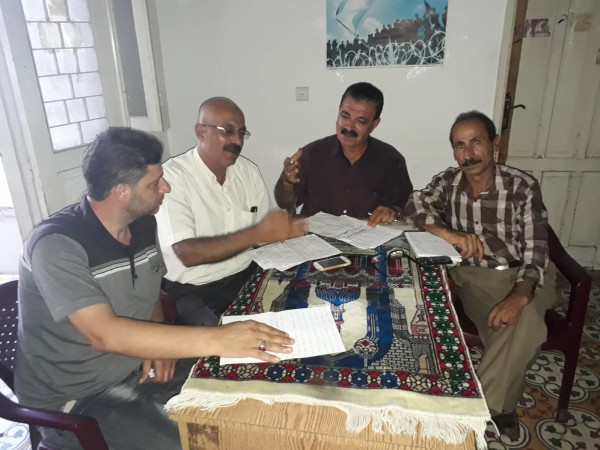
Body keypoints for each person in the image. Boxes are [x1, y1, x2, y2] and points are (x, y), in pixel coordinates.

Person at [14, 127, 294, 450]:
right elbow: (103, 334)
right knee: (198, 439)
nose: (166, 187)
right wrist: (219, 338)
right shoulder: (57, 245)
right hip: (77, 398)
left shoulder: (144, 224)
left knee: (249, 386)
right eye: (155, 183)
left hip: (138, 367)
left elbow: (149, 297)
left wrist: (157, 345)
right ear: (121, 191)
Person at [403, 111, 558, 441]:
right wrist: (449, 234)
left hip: (529, 274)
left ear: (494, 144)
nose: (468, 154)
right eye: (460, 145)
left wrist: (520, 294)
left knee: (524, 317)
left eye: (476, 142)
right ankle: (502, 408)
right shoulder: (449, 182)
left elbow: (537, 247)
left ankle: (463, 413)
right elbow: (414, 204)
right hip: (477, 277)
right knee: (524, 327)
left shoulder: (521, 186)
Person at [156, 97, 305, 327]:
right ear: (200, 132)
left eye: (242, 133)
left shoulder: (248, 172)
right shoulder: (172, 178)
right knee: (235, 341)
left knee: (300, 307)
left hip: (246, 273)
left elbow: (262, 238)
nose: (237, 140)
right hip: (196, 288)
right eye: (227, 131)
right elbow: (187, 254)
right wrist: (257, 233)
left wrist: (284, 232)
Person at [274, 82, 413, 226]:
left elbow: (405, 207)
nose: (349, 127)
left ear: (374, 124)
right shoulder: (312, 154)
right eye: (345, 116)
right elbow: (284, 203)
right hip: (316, 237)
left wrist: (392, 212)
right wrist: (286, 183)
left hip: (369, 236)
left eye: (361, 121)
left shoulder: (391, 160)